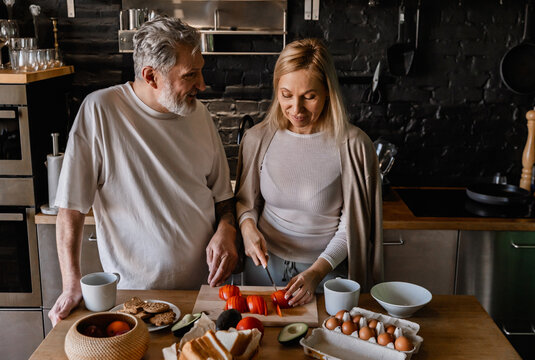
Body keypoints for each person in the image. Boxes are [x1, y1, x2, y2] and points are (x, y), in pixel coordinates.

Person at [49, 16, 238, 326]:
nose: (202, 85)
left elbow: (222, 197)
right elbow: (71, 208)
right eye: (191, 75)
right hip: (135, 301)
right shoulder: (100, 111)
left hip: (204, 294)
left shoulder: (198, 113)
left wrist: (226, 230)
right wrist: (71, 284)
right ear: (151, 76)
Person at [235, 38, 383, 307]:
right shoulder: (256, 139)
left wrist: (316, 272)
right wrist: (247, 228)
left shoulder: (354, 146)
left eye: (309, 97)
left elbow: (354, 226)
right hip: (263, 267)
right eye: (286, 95)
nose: (296, 109)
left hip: (328, 273)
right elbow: (246, 201)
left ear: (328, 91)